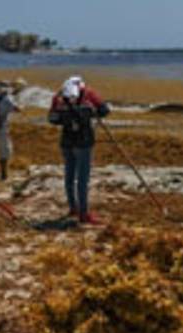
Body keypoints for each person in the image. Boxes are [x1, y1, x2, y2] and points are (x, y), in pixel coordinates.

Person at [48, 75, 110, 225]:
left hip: (67, 141)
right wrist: (91, 112)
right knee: (82, 179)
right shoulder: (89, 93)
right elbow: (105, 110)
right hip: (83, 141)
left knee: (69, 175)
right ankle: (84, 213)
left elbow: (52, 119)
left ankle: (73, 208)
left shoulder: (59, 97)